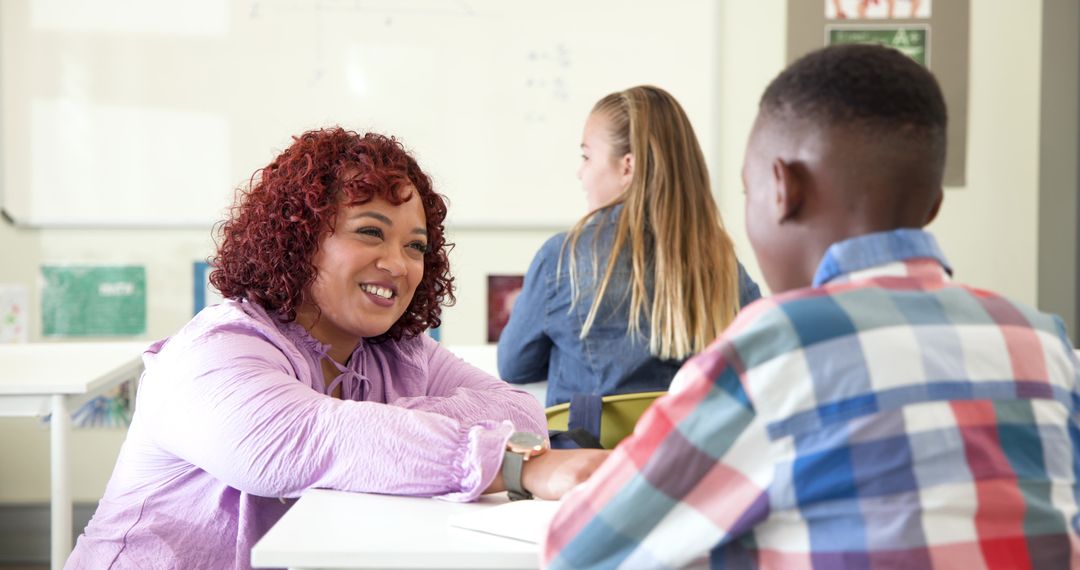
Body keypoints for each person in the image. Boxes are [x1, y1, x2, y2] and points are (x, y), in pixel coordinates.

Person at [542, 44, 1080, 568]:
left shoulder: (773, 349)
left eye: (748, 191)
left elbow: (580, 549)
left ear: (783, 190)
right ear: (933, 205)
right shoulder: (1043, 343)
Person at [67, 128, 607, 570]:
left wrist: (383, 425)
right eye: (370, 232)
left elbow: (519, 412)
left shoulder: (397, 351)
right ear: (298, 237)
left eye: (415, 245)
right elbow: (297, 440)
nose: (398, 264)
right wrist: (512, 464)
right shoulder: (213, 351)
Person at [498, 85, 761, 409]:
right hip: (687, 441)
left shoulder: (562, 257)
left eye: (586, 157)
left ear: (627, 167)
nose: (580, 173)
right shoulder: (719, 258)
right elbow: (756, 350)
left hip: (588, 443)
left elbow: (515, 366)